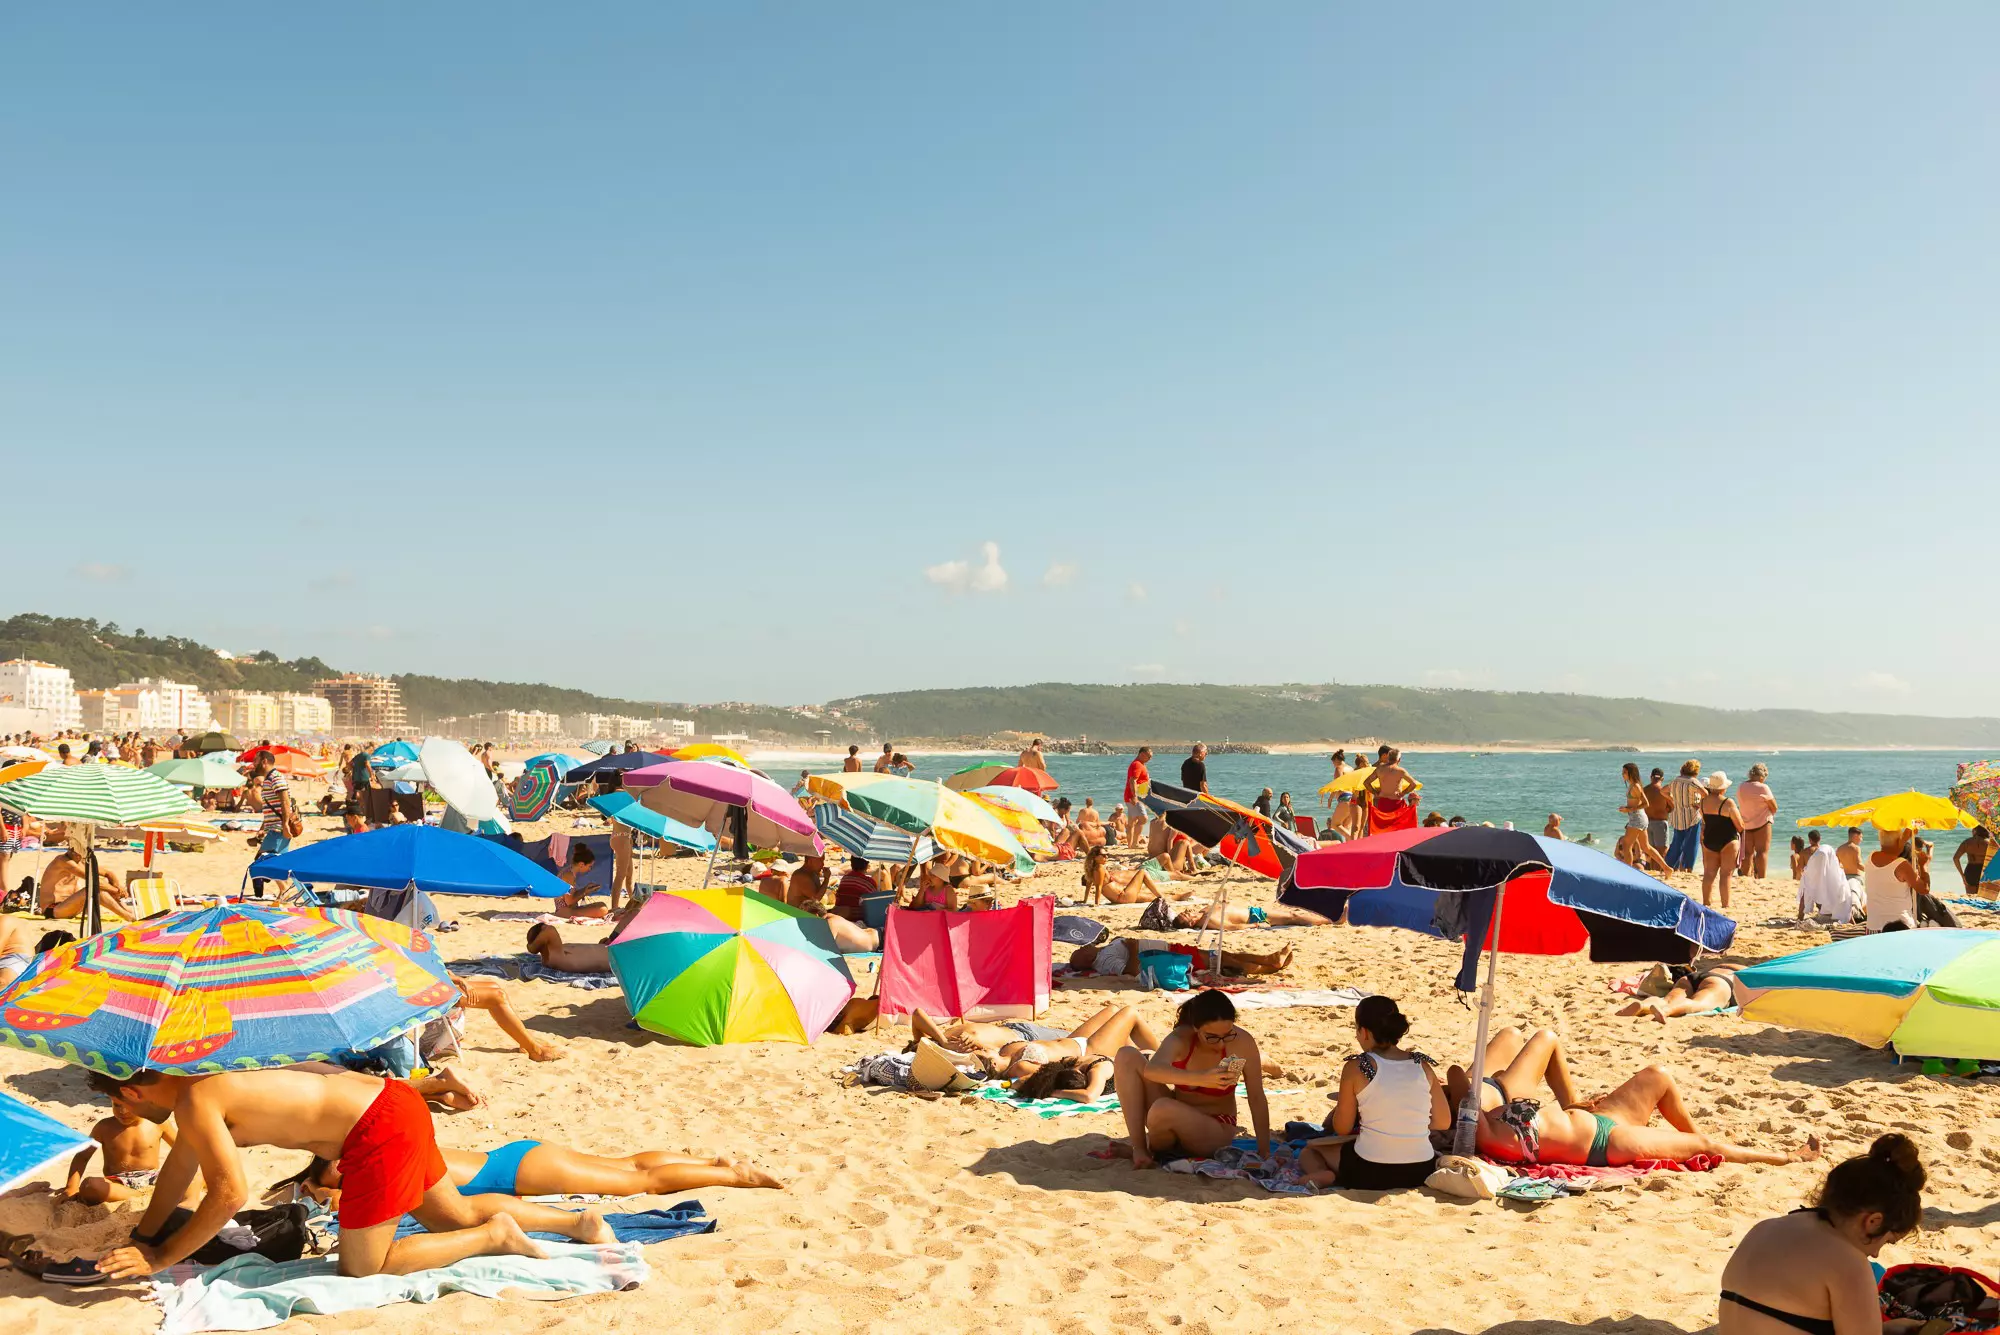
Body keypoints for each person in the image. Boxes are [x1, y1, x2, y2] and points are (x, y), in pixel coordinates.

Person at [91, 1067, 613, 1281]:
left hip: (376, 1130)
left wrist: (161, 1257)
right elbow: (178, 1174)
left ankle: (496, 1236)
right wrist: (143, 1234)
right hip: (394, 1100)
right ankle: (577, 1224)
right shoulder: (207, 1080)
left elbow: (228, 1194)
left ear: (131, 1093)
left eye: (119, 1103)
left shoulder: (195, 1102)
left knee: (363, 1266)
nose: (124, 1113)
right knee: (454, 1215)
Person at [1446, 1027, 1819, 1169]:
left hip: (1597, 1118)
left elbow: (1459, 1082)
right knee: (1699, 1145)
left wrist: (1575, 1107)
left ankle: (1698, 1137)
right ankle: (1787, 1157)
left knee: (1658, 1076)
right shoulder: (1483, 1134)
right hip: (1607, 1141)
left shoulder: (1487, 1120)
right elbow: (1456, 1078)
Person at [1718, 1134, 1925, 1335]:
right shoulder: (1848, 1263)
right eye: (1887, 1241)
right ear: (1873, 1221)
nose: (1876, 1254)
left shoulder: (1764, 1228)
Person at [278, 1139, 782, 1203]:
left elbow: (347, 1203)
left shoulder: (378, 1166)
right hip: (515, 1157)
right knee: (627, 1166)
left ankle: (734, 1177)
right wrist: (311, 1182)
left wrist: (316, 1192)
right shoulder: (387, 1149)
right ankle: (713, 1163)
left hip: (519, 1175)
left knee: (638, 1182)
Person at [1299, 996, 1447, 1191]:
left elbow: (1342, 1127)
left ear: (1365, 1032)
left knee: (1310, 1151)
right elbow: (1443, 1121)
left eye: (1356, 1029)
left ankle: (1322, 1173)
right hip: (1421, 1170)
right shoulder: (1423, 1065)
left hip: (1370, 1171)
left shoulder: (1356, 1066)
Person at [1112, 990, 1271, 1168]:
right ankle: (1140, 1149)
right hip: (1173, 1116)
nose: (1221, 1044)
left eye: (1227, 1035)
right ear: (1196, 1028)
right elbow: (1153, 1070)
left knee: (1162, 1108)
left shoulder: (1242, 1042)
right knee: (1126, 1055)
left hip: (1215, 1127)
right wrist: (1201, 1079)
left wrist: (1264, 1150)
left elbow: (1256, 1096)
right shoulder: (1181, 1038)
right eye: (1212, 1037)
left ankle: (1152, 1151)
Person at [914, 1003, 1161, 1090]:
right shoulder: (1018, 1068)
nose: (980, 1049)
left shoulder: (1002, 1053)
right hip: (1088, 1050)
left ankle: (1141, 1057)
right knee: (1129, 1014)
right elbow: (1048, 1079)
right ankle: (1165, 1060)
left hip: (1074, 1040)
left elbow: (917, 1015)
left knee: (1112, 1011)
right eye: (981, 1052)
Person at [65, 1090, 177, 1205]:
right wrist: (71, 1187)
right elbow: (83, 1156)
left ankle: (146, 1193)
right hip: (117, 1183)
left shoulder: (158, 1123)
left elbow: (182, 1147)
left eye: (129, 1106)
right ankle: (141, 1195)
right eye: (117, 1105)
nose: (123, 1111)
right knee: (90, 1186)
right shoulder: (104, 1127)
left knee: (187, 1180)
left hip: (152, 1179)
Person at [1069, 936, 1293, 978]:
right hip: (1168, 957)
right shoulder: (1103, 962)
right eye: (1081, 950)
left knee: (1222, 957)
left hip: (1169, 949)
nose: (1085, 946)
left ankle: (1269, 962)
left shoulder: (1102, 952)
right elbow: (1130, 971)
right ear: (1085, 960)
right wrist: (1134, 947)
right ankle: (1270, 962)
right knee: (1222, 959)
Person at [37, 832, 134, 922]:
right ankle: (128, 916)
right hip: (54, 909)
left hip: (71, 906)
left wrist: (116, 885)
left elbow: (108, 873)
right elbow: (94, 881)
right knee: (94, 888)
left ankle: (129, 912)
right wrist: (117, 891)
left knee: (104, 885)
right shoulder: (63, 861)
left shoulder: (81, 861)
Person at [1617, 963, 1739, 1024]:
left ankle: (1643, 1005)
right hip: (1721, 982)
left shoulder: (1726, 965)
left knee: (1666, 999)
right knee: (1698, 1003)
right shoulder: (1752, 971)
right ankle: (1667, 1011)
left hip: (1692, 976)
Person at [1080, 843, 1192, 905]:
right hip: (1122, 897)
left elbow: (1089, 884)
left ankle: (1176, 897)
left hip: (1122, 896)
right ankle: (1162, 897)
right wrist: (1097, 904)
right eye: (1103, 855)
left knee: (1150, 897)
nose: (1106, 857)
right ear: (1095, 857)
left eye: (1106, 855)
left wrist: (1085, 900)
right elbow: (1098, 887)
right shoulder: (1099, 868)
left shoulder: (1092, 869)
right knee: (1142, 872)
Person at [1617, 762, 1672, 873]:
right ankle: (1667, 868)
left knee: (1627, 845)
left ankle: (1628, 873)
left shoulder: (1636, 786)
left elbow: (1646, 803)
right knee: (1646, 847)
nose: (1622, 774)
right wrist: (1627, 808)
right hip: (1637, 818)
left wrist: (1629, 809)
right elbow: (1637, 803)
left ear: (1631, 773)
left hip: (1637, 818)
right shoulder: (1632, 785)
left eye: (1624, 772)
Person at [1700, 772, 1743, 909]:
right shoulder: (1727, 802)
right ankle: (1726, 904)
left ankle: (1706, 903)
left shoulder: (1703, 802)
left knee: (1709, 873)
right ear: (1723, 788)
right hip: (1728, 840)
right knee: (1726, 874)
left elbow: (1705, 821)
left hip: (1710, 838)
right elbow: (1740, 825)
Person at [1864, 828, 1919, 932]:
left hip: (1873, 927)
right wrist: (1924, 865)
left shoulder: (1871, 857)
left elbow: (1893, 852)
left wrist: (1903, 838)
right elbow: (1924, 889)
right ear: (1898, 842)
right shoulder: (1902, 865)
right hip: (1900, 927)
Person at [1361, 748, 1420, 833]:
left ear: (1388, 758)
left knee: (1383, 829)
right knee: (1398, 830)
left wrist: (1375, 792)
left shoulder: (1380, 769)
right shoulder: (1400, 771)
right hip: (1397, 803)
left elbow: (1366, 783)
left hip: (1383, 802)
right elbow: (1413, 784)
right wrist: (1403, 793)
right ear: (1399, 760)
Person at [1736, 764, 1779, 878]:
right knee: (1762, 852)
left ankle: (1744, 877)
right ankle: (1762, 878)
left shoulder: (1741, 786)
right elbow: (1774, 807)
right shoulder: (1763, 787)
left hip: (1746, 823)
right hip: (1762, 823)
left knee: (1747, 853)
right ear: (1761, 777)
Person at [1664, 760, 1706, 872]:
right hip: (1692, 816)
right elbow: (1705, 794)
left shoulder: (1675, 781)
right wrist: (1698, 803)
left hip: (1678, 816)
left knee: (1677, 842)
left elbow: (1663, 791)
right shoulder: (1693, 782)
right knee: (1692, 843)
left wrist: (1673, 799)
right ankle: (1688, 867)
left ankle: (1669, 865)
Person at [1171, 901, 1330, 930]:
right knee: (1293, 916)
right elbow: (1232, 927)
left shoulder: (1203, 912)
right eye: (1186, 915)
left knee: (1292, 914)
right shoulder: (1207, 920)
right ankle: (1328, 921)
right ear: (1192, 923)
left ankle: (1325, 919)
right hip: (1254, 917)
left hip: (1252, 910)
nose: (1188, 911)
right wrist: (1254, 925)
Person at [524, 922, 610, 973]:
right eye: (544, 927)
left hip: (610, 951)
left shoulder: (556, 952)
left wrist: (599, 946)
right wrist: (531, 947)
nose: (546, 926)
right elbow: (550, 930)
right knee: (624, 920)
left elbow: (584, 954)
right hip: (616, 956)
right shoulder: (553, 957)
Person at [553, 844, 606, 918]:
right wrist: (584, 892)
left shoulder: (568, 871)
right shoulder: (568, 875)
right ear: (581, 864)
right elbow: (569, 902)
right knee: (602, 909)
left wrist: (586, 889)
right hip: (565, 911)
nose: (589, 869)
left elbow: (570, 895)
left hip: (568, 909)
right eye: (589, 866)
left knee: (601, 906)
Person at [1122, 747, 1153, 847]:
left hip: (1133, 796)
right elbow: (1133, 781)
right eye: (1149, 756)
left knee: (1132, 821)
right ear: (1142, 754)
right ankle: (1134, 843)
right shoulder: (1137, 764)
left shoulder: (1138, 764)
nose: (1150, 759)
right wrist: (1134, 796)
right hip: (1134, 797)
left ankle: (1130, 844)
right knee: (1143, 819)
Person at [1955, 825, 1995, 896]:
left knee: (1971, 899)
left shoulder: (1966, 842)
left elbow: (1955, 858)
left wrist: (1962, 875)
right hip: (1984, 872)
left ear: (1975, 831)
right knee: (1985, 899)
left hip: (1970, 871)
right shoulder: (1989, 843)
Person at [1643, 768, 1673, 857]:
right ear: (1662, 779)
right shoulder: (1664, 791)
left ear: (1651, 777)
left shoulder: (1644, 790)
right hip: (1660, 823)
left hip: (1647, 823)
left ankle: (1652, 869)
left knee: (1651, 851)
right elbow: (1672, 807)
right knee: (1662, 851)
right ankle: (1660, 870)